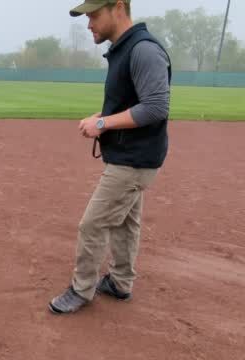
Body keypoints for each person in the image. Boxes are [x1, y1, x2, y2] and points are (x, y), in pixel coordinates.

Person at [49, 0, 172, 314]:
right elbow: (133, 102)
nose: (88, 23)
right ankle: (120, 282)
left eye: (93, 14)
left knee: (92, 225)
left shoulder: (143, 50)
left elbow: (156, 107)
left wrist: (102, 123)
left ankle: (81, 289)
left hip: (134, 160)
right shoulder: (127, 48)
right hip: (134, 155)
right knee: (126, 223)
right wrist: (104, 115)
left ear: (118, 7)